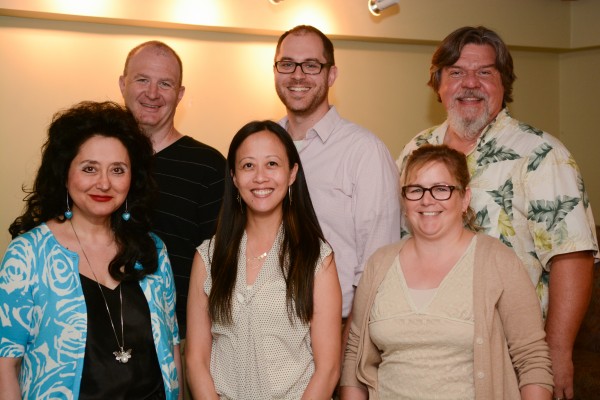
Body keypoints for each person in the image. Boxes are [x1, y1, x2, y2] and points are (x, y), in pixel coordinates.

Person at [396, 26, 597, 400]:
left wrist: (556, 352)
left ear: (504, 83)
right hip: (424, 353)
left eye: (485, 72)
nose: (469, 84)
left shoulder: (541, 155)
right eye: (456, 72)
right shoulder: (416, 149)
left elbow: (573, 255)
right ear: (438, 84)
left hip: (510, 355)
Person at [341, 144, 554, 399]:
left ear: (465, 198)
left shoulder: (498, 261)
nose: (426, 200)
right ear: (404, 199)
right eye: (416, 190)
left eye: (441, 189)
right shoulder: (379, 264)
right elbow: (355, 353)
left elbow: (532, 360)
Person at [0, 101, 181, 399]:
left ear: (132, 178)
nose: (104, 183)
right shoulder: (28, 255)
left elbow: (171, 348)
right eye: (89, 169)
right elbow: (6, 364)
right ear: (65, 173)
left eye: (118, 170)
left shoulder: (152, 249)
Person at [185, 120, 342, 399]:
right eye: (248, 166)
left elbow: (328, 368)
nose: (260, 177)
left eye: (272, 164)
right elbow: (196, 359)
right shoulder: (208, 256)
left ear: (292, 172)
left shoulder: (317, 258)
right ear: (233, 177)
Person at [273, 25, 401, 337]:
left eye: (312, 65)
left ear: (331, 75)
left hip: (336, 330)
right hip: (266, 332)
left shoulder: (364, 152)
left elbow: (377, 268)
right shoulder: (264, 144)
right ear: (275, 71)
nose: (298, 75)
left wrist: (348, 348)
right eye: (287, 64)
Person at [119, 40, 226, 340]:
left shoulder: (208, 166)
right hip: (98, 334)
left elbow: (220, 263)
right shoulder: (95, 160)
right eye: (142, 80)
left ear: (179, 95)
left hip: (178, 337)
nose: (152, 93)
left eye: (165, 83)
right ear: (122, 84)